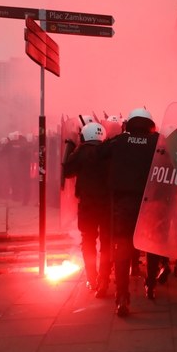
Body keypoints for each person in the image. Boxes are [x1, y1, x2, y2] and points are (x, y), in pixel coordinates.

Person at [97, 108, 159, 316]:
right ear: (150, 125)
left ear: (129, 124)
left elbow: (100, 153)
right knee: (151, 246)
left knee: (122, 249)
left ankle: (122, 296)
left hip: (123, 205)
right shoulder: (156, 143)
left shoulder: (119, 142)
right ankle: (151, 284)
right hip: (150, 203)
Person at [62, 121, 111, 292]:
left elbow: (67, 171)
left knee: (88, 242)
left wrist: (72, 147)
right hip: (107, 204)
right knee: (107, 242)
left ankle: (92, 278)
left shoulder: (81, 153)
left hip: (88, 205)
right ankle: (104, 278)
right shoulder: (109, 150)